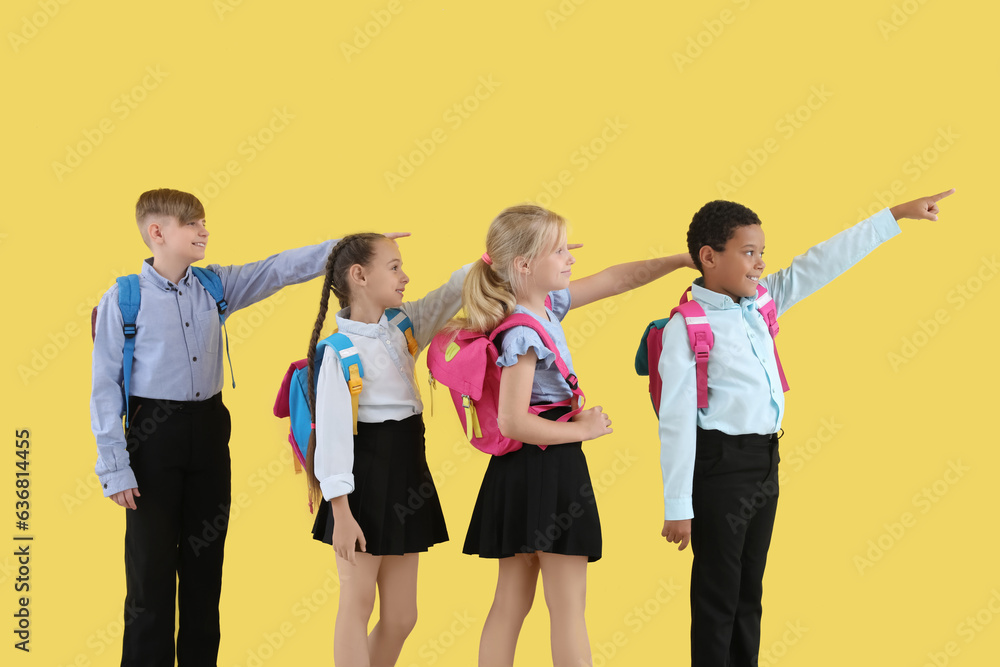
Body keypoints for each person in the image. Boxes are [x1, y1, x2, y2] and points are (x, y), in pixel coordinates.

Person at [656, 189, 955, 667]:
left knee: (749, 591)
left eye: (761, 254)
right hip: (719, 468)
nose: (758, 265)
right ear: (709, 258)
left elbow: (823, 261)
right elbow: (674, 423)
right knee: (717, 595)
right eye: (747, 253)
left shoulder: (761, 304)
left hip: (764, 462)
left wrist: (894, 215)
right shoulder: (686, 327)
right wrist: (678, 506)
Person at [91, 188, 371, 666]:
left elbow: (278, 269)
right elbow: (105, 388)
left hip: (209, 431)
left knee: (205, 570)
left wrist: (345, 248)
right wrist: (115, 467)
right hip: (151, 436)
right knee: (150, 575)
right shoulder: (124, 299)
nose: (204, 231)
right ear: (157, 233)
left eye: (204, 222)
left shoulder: (214, 285)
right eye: (193, 224)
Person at [457, 204, 693, 667]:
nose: (572, 258)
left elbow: (617, 279)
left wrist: (679, 260)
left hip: (516, 473)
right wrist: (582, 429)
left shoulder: (539, 308)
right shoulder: (522, 333)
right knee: (567, 608)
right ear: (524, 265)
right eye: (560, 251)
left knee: (510, 603)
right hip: (549, 463)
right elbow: (512, 421)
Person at [305, 232, 471, 665]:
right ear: (359, 276)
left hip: (406, 477)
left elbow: (454, 290)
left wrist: (502, 256)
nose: (405, 276)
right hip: (362, 486)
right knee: (356, 607)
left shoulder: (402, 325)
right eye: (394, 267)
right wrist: (341, 514)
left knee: (401, 617)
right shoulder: (340, 351)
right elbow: (335, 438)